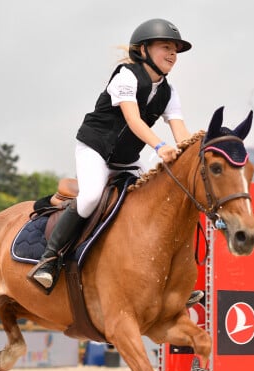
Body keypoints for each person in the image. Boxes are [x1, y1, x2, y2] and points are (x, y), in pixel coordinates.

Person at [28, 19, 202, 307]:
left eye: (176, 50)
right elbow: (133, 120)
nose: (172, 54)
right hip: (95, 150)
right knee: (91, 197)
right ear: (143, 50)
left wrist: (192, 150)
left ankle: (171, 281)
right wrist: (160, 146)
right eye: (166, 47)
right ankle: (49, 260)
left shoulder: (169, 92)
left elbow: (180, 133)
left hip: (126, 160)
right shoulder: (126, 77)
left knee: (161, 203)